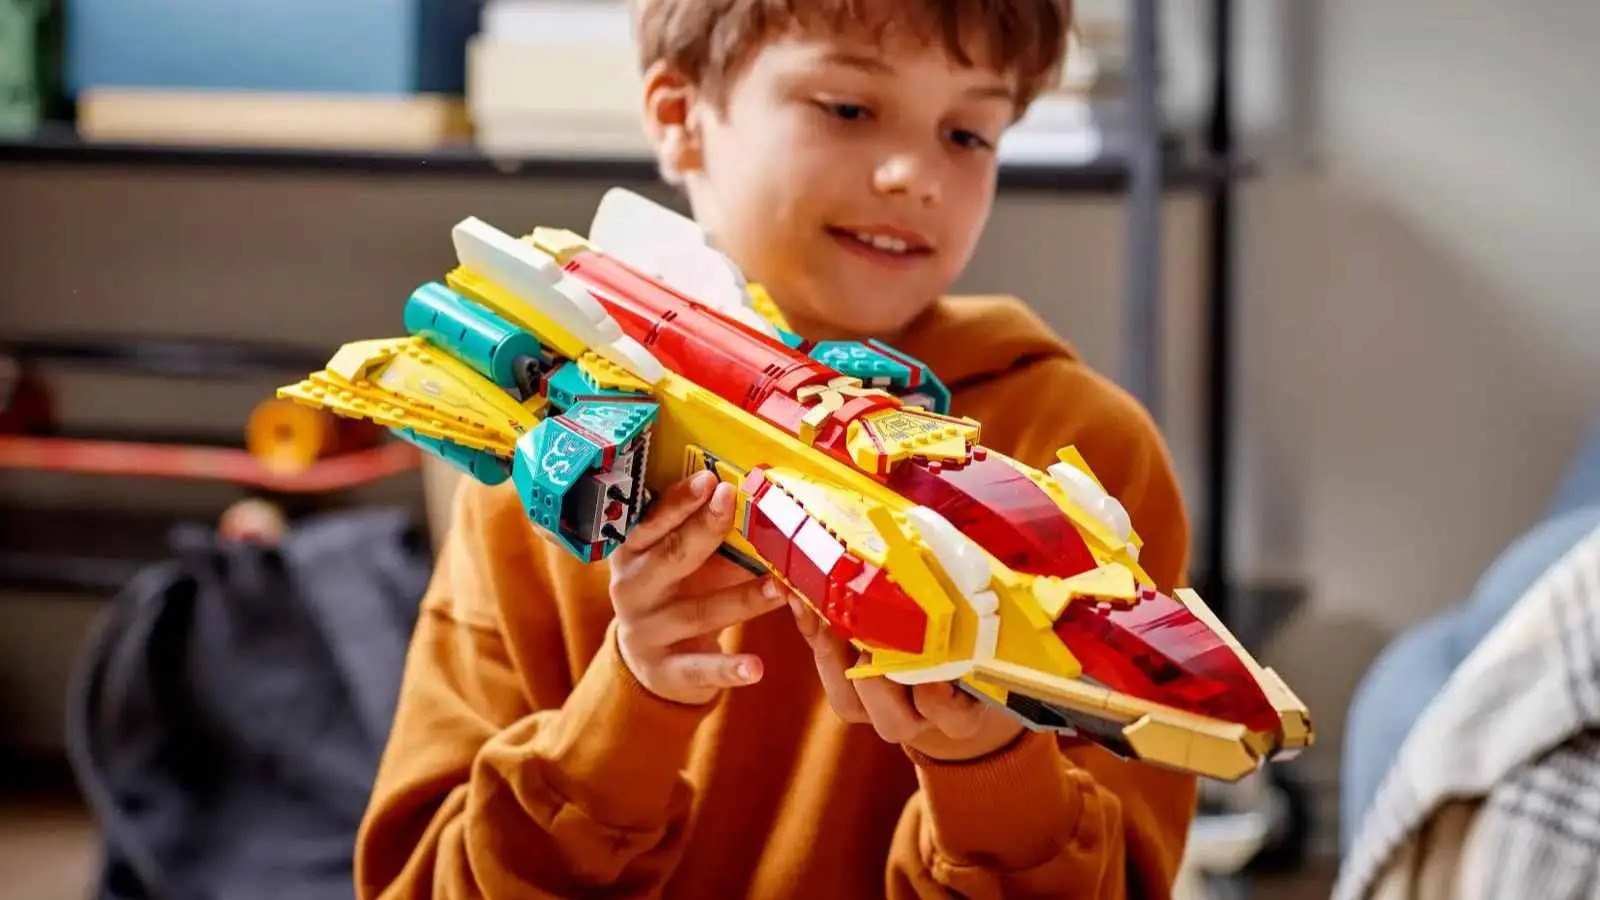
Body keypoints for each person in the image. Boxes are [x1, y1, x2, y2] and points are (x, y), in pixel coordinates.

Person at [354, 0, 1198, 896]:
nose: (915, 173)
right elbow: (420, 880)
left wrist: (991, 759)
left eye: (969, 133)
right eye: (846, 108)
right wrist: (630, 706)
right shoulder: (556, 430)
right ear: (681, 117)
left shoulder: (1086, 452)